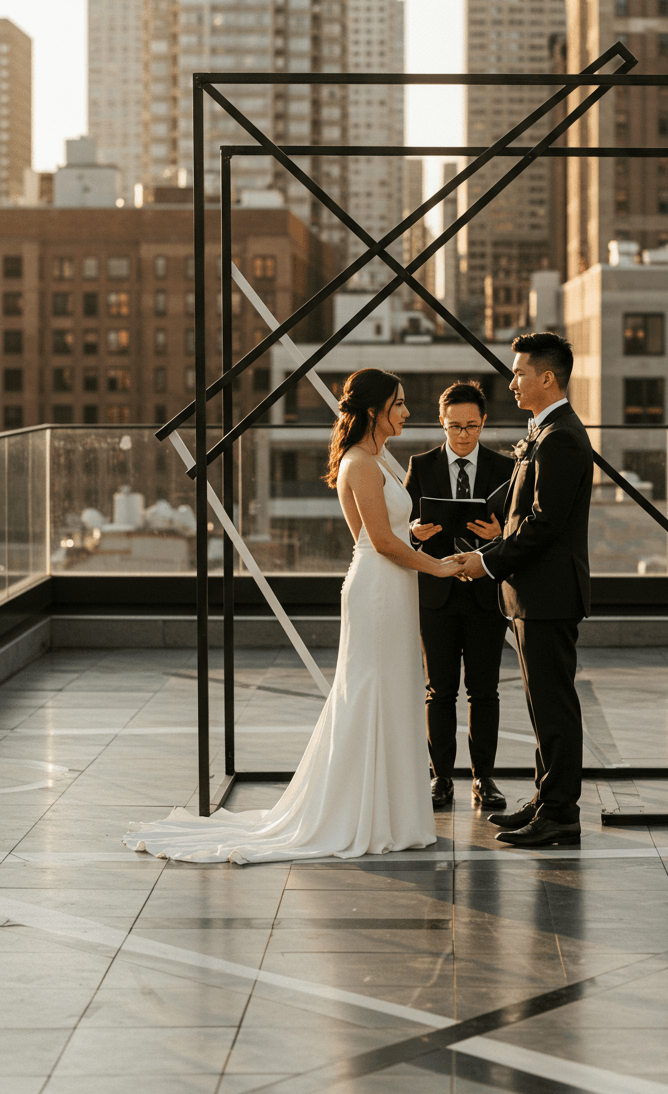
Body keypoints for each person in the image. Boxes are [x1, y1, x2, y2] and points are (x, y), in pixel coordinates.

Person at [123, 369, 462, 864]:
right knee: (371, 692)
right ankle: (362, 813)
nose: (408, 412)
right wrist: (439, 566)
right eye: (400, 403)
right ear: (375, 410)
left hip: (392, 583)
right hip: (378, 590)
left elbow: (387, 532)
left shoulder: (378, 459)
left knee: (392, 690)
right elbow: (377, 542)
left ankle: (390, 813)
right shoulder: (360, 464)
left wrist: (416, 532)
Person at [453, 333, 592, 849]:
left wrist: (486, 562)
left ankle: (561, 814)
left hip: (550, 595)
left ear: (547, 378)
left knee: (554, 705)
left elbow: (544, 525)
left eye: (519, 373)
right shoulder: (545, 431)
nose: (511, 382)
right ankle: (547, 797)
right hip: (532, 593)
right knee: (541, 704)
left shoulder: (561, 437)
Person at [405, 380, 515, 811]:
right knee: (440, 691)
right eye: (454, 427)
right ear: (441, 422)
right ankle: (441, 779)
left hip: (486, 593)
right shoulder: (421, 464)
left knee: (484, 691)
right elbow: (404, 525)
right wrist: (414, 532)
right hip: (436, 594)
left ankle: (484, 779)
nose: (463, 435)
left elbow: (522, 531)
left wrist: (501, 534)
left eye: (471, 426)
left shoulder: (505, 469)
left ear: (484, 422)